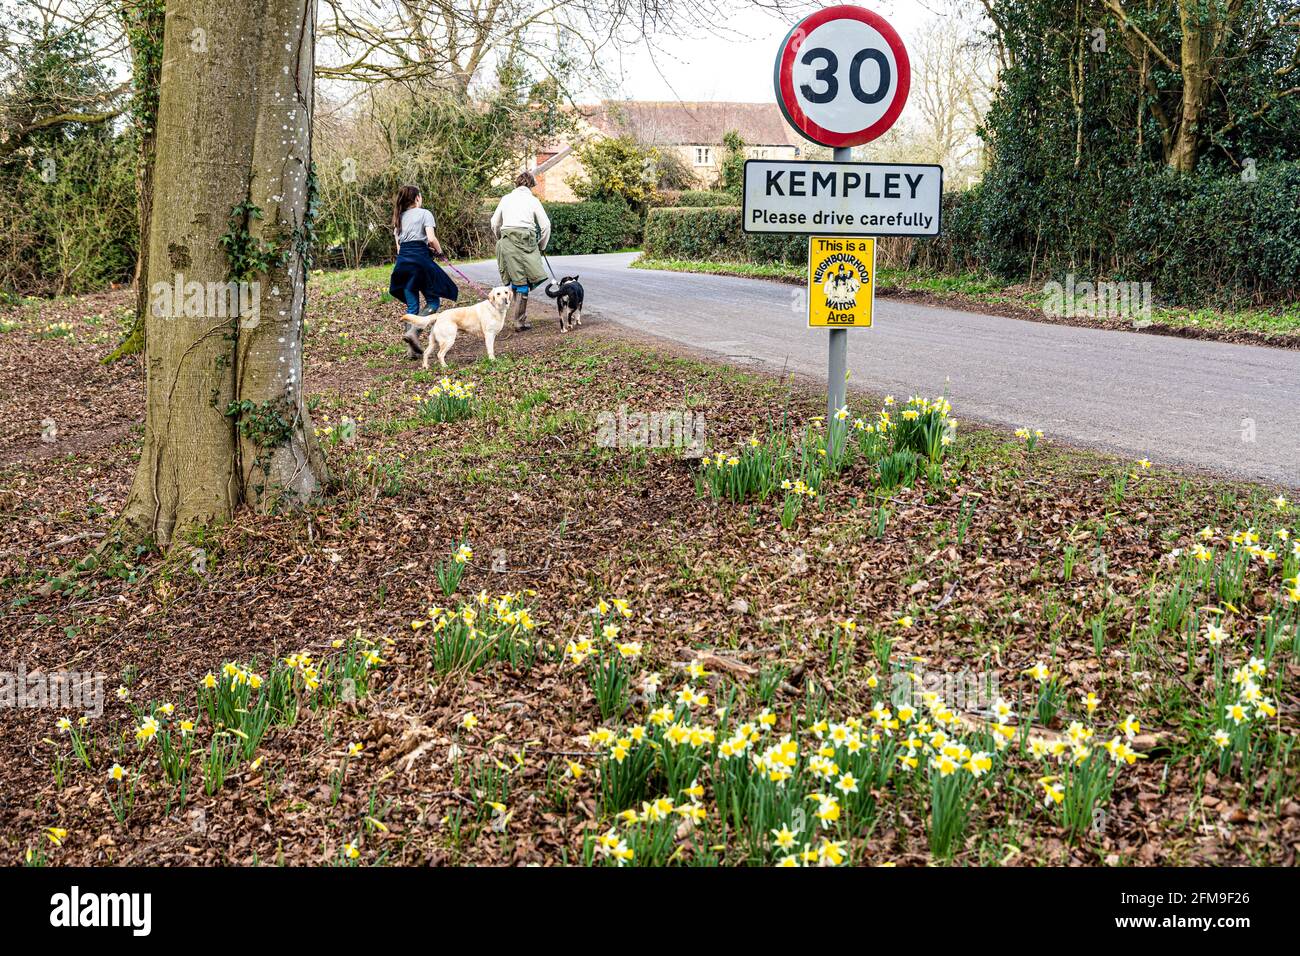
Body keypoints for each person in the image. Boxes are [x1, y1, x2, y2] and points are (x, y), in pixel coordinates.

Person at [389, 184, 458, 359]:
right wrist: (440, 252)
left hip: (403, 264)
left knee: (412, 307)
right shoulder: (425, 213)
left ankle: (411, 352)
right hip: (421, 262)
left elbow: (400, 249)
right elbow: (431, 238)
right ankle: (414, 332)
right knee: (433, 301)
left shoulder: (399, 218)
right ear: (417, 198)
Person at [490, 171, 551, 331]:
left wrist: (501, 239)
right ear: (531, 185)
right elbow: (545, 226)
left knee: (517, 280)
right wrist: (541, 246)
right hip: (527, 242)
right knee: (523, 281)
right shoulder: (533, 200)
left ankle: (518, 319)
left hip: (507, 241)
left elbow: (494, 223)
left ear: (516, 184)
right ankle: (518, 322)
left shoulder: (506, 199)